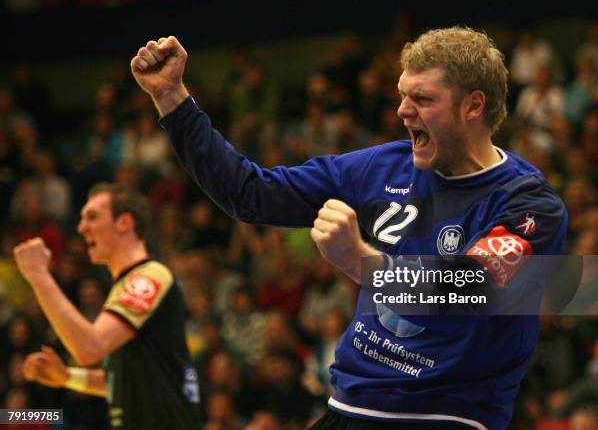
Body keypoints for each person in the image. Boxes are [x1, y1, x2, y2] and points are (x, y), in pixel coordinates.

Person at [131, 27, 568, 430]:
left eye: (423, 99)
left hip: (445, 417)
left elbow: (469, 293)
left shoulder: (527, 204)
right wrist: (173, 99)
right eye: (402, 95)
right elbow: (250, 195)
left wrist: (358, 261)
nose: (402, 110)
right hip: (347, 409)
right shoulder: (381, 166)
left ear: (474, 105)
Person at [14, 183, 200, 429]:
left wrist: (39, 275)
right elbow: (123, 382)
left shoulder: (148, 277)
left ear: (124, 223)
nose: (81, 228)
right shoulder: (125, 287)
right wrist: (68, 378)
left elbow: (89, 348)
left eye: (92, 217)